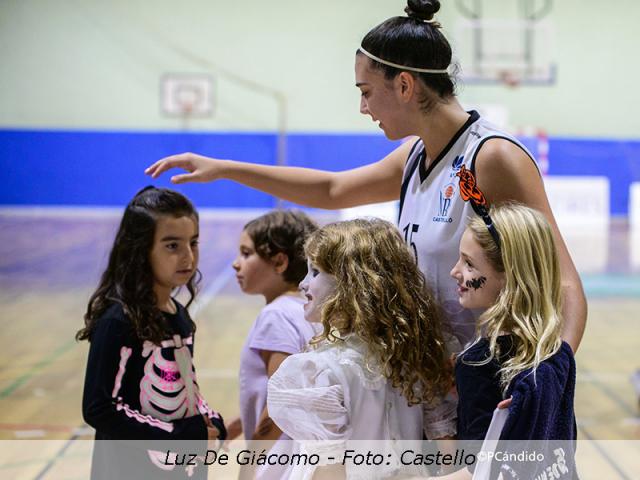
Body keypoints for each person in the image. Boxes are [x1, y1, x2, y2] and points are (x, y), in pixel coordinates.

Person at [145, 0, 586, 354]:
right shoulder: (415, 155)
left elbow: (562, 280)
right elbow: (332, 188)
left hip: (493, 377)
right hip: (436, 379)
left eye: (366, 92)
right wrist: (225, 169)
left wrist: (554, 373)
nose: (363, 108)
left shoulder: (492, 157)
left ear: (406, 86)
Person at [267, 218, 454, 479]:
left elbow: (329, 470)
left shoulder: (320, 371)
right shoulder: (411, 355)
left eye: (315, 271)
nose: (303, 284)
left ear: (354, 283)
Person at [77, 186, 226, 480]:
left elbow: (186, 384)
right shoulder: (118, 321)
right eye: (172, 245)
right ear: (141, 249)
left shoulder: (179, 315)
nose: (187, 256)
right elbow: (99, 408)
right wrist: (179, 434)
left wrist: (209, 419)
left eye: (193, 243)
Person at [439, 202, 577, 479]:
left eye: (468, 263)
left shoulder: (477, 363)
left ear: (507, 276)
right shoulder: (558, 352)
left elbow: (480, 468)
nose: (455, 271)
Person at [224, 210, 318, 479]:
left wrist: (249, 465)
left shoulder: (276, 315)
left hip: (277, 465)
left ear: (279, 262)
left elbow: (281, 401)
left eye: (246, 253)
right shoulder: (309, 308)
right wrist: (243, 422)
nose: (235, 263)